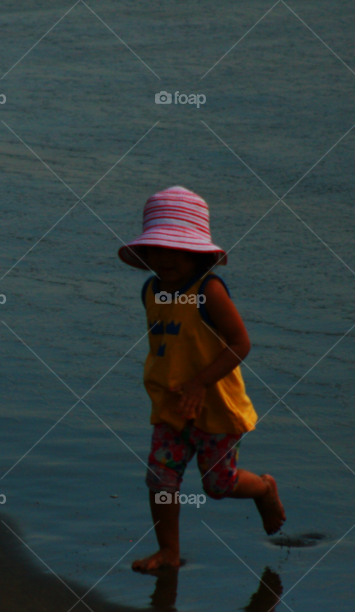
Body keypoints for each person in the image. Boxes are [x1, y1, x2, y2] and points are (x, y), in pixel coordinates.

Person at [118, 186, 285, 573]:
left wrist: (199, 383)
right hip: (171, 406)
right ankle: (169, 553)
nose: (166, 258)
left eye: (176, 250)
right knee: (161, 481)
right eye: (157, 250)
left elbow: (240, 343)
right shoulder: (152, 290)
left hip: (214, 408)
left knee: (218, 485)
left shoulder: (208, 291)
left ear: (198, 253)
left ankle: (262, 489)